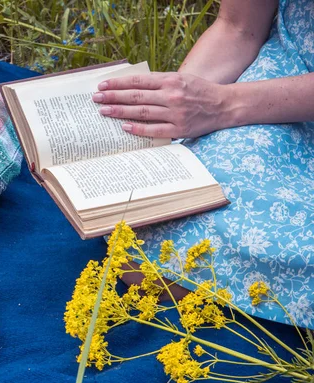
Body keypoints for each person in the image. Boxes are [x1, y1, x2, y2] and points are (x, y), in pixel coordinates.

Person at [92, 0, 314, 329]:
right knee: (150, 241)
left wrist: (222, 105)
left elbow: (220, 104)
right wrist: (175, 104)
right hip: (280, 86)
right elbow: (238, 28)